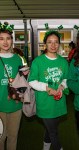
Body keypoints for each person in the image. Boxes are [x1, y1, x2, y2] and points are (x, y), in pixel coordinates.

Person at [28, 30, 68, 150]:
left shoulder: (63, 61)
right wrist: (47, 88)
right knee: (53, 132)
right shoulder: (38, 61)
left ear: (59, 44)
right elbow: (32, 81)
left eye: (56, 42)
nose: (53, 45)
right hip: (45, 103)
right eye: (50, 42)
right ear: (45, 44)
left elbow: (66, 79)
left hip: (59, 103)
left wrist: (62, 86)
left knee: (51, 129)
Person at [0, 22, 23, 150]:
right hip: (0, 105)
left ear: (12, 40)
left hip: (15, 104)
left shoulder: (18, 59)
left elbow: (22, 82)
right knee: (1, 137)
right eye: (1, 39)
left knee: (13, 137)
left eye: (8, 38)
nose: (5, 42)